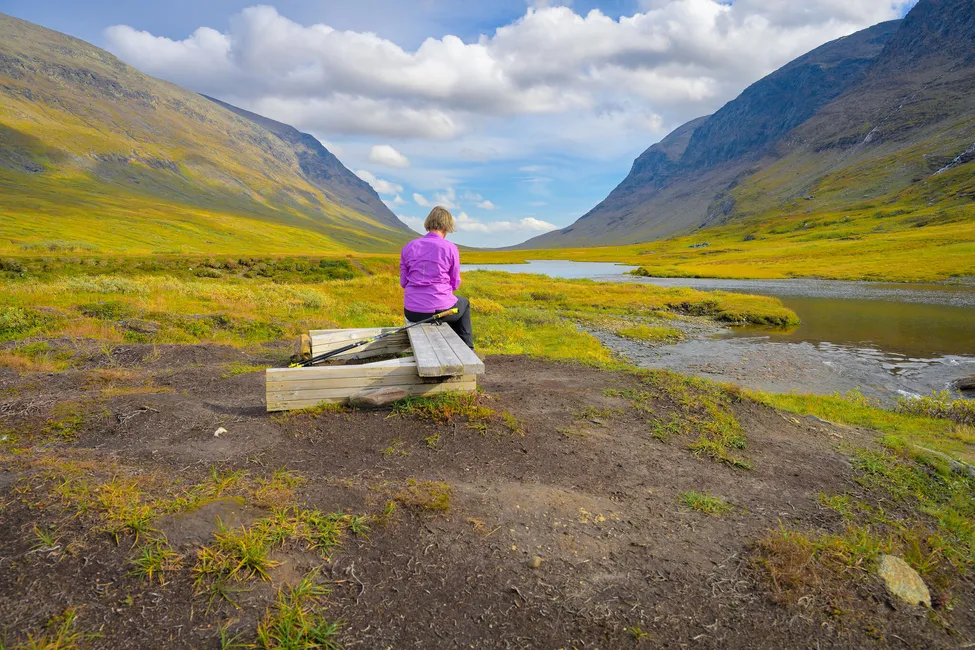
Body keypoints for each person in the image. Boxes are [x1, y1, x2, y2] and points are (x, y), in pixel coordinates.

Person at [400, 206, 474, 349]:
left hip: (412, 312)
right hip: (440, 311)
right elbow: (455, 282)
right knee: (463, 303)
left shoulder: (408, 246)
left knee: (448, 304)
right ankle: (468, 349)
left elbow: (403, 282)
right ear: (447, 226)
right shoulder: (450, 248)